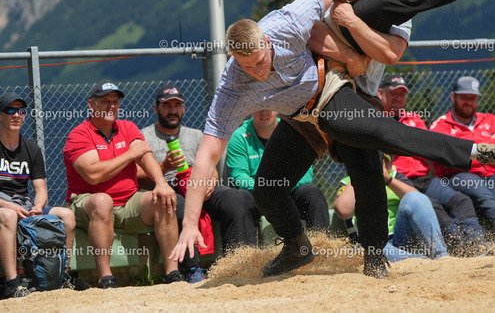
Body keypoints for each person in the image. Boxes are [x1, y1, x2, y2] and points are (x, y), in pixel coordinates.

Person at [170, 0, 495, 279]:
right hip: (301, 115)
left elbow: (387, 52)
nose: (258, 71)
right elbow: (206, 155)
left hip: (336, 95)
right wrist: (189, 224)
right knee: (266, 188)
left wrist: (364, 13)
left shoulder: (315, 17)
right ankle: (297, 246)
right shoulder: (236, 80)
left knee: (375, 153)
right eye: (248, 67)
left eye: (260, 60)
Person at [63, 80, 184, 289]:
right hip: (88, 204)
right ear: (91, 105)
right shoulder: (79, 135)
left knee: (163, 198)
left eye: (115, 102)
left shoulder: (127, 127)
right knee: (103, 201)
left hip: (128, 202)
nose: (111, 106)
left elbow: (145, 156)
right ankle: (106, 278)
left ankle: (172, 273)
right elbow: (93, 175)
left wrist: (162, 183)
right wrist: (129, 154)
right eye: (105, 101)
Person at [140, 84, 259, 261]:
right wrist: (164, 167)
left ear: (184, 108)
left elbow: (212, 167)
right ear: (156, 108)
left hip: (199, 186)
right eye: (167, 106)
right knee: (175, 204)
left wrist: (211, 182)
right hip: (169, 188)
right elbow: (136, 178)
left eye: (177, 105)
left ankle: (238, 261)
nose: (172, 110)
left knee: (236, 198)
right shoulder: (144, 137)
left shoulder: (196, 135)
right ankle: (193, 268)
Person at [377, 74, 488, 255]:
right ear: (380, 93)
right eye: (393, 93)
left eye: (401, 94)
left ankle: (477, 245)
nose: (397, 98)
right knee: (432, 205)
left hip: (424, 177)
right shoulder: (376, 121)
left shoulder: (414, 119)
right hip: (400, 177)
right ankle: (458, 248)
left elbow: (429, 146)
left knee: (461, 200)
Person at [430, 77, 495, 243]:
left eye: (472, 98)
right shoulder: (441, 125)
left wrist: (469, 151)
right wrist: (489, 150)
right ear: (453, 97)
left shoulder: (491, 120)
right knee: (483, 195)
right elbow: (450, 158)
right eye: (464, 97)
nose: (468, 102)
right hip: (461, 175)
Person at [0, 92, 76, 297]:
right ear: (0, 115)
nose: (16, 115)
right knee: (8, 216)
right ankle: (13, 284)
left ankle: (61, 278)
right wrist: (9, 207)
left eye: (21, 111)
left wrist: (38, 206)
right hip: (4, 207)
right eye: (10, 110)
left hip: (24, 204)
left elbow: (40, 189)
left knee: (67, 215)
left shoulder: (32, 149)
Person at [226, 109, 329, 233]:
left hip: (287, 191)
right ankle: (244, 251)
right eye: (258, 108)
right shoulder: (239, 136)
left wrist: (279, 188)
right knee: (240, 199)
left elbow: (306, 174)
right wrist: (265, 188)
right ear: (252, 109)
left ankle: (321, 245)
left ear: (277, 108)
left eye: (268, 108)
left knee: (312, 192)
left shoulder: (293, 129)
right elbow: (238, 176)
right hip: (257, 194)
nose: (264, 114)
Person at [334, 154, 448, 262]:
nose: (374, 164)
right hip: (368, 244)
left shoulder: (395, 177)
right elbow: (343, 211)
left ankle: (441, 256)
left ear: (387, 164)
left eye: (379, 160)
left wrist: (387, 179)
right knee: (377, 248)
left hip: (399, 238)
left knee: (414, 197)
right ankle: (426, 262)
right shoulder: (348, 182)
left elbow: (419, 201)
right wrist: (360, 175)